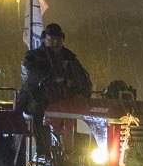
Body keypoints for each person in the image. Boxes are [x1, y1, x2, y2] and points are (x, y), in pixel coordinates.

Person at [15, 23, 92, 154]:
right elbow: (29, 74)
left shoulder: (69, 58)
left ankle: (79, 151)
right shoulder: (33, 56)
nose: (56, 42)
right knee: (38, 110)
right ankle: (42, 152)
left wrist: (82, 91)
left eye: (59, 39)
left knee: (83, 112)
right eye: (52, 39)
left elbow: (82, 77)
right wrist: (48, 80)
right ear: (44, 39)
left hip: (64, 99)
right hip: (38, 96)